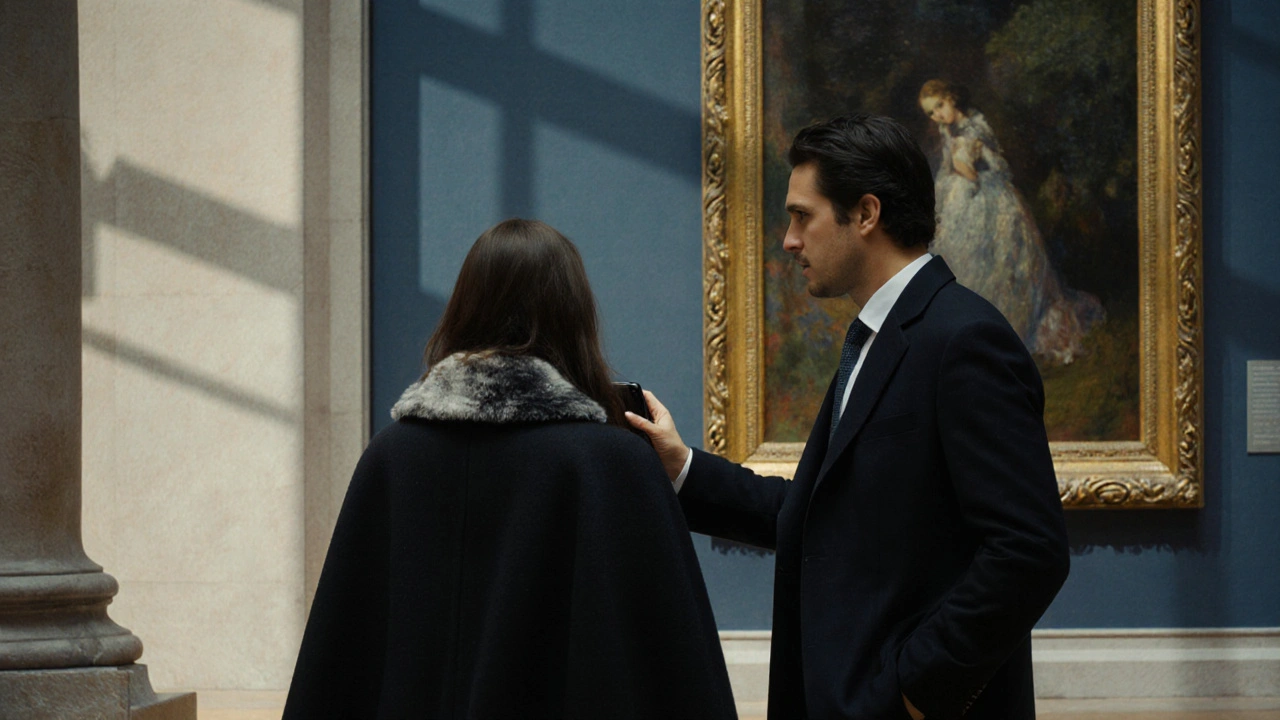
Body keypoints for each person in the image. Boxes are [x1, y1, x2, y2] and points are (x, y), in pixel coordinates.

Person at [629, 115, 1070, 720]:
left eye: (802, 216)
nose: (789, 240)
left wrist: (913, 691)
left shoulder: (965, 339)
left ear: (865, 214)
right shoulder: (879, 336)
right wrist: (681, 467)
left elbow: (1030, 550)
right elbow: (821, 518)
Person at [283, 219, 736, 719]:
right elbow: (675, 671)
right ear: (574, 318)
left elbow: (338, 664)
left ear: (463, 310)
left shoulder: (390, 458)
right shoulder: (614, 465)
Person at [918, 79, 1103, 365]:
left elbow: (966, 170)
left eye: (940, 106)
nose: (938, 116)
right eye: (931, 112)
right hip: (969, 199)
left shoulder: (972, 127)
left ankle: (1007, 333)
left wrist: (959, 174)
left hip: (990, 199)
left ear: (952, 97)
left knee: (1004, 264)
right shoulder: (951, 129)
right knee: (971, 265)